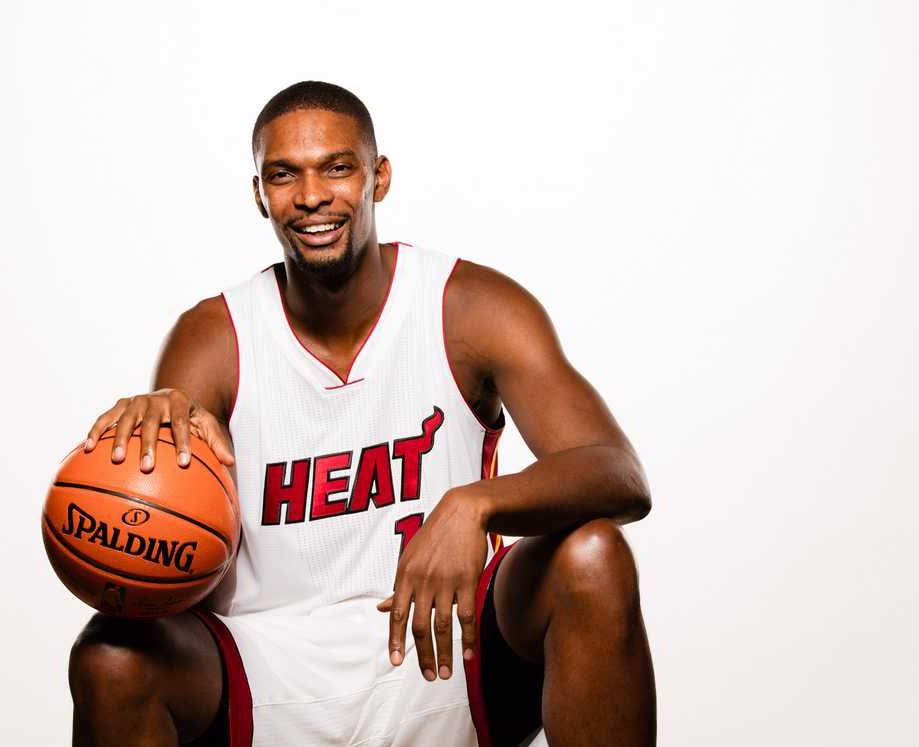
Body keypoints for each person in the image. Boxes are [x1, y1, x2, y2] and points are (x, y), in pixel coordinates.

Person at [68, 81, 657, 747]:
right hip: (263, 669)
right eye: (284, 174)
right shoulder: (213, 338)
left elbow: (618, 473)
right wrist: (128, 487)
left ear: (379, 177)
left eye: (337, 167)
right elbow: (167, 545)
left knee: (593, 555)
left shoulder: (469, 307)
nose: (312, 195)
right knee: (109, 656)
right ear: (260, 194)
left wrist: (474, 504)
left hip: (446, 655)